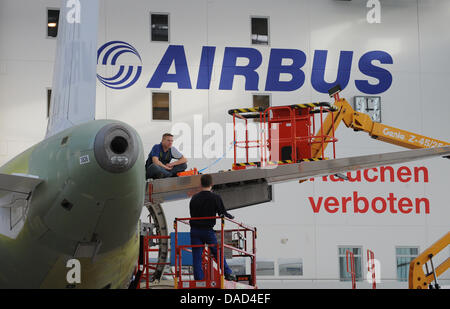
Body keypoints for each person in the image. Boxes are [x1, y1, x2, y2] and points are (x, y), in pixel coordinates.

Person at [189, 174, 236, 281]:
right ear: (211, 184)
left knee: (196, 256)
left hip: (195, 230)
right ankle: (228, 273)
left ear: (200, 184)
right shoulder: (215, 197)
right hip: (207, 230)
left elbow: (192, 213)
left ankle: (199, 279)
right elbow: (222, 213)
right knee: (217, 251)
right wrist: (230, 216)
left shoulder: (194, 198)